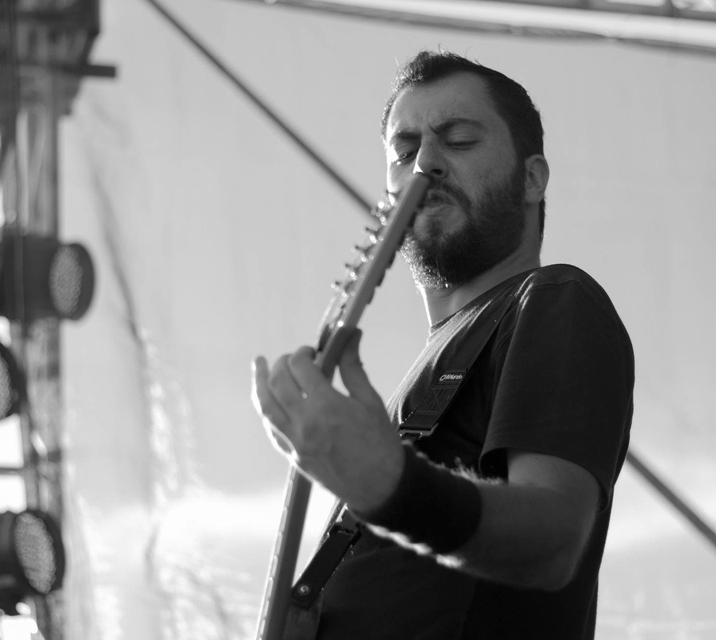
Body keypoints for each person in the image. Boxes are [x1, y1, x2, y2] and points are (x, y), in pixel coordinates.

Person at [251, 50, 634, 639]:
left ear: (532, 178)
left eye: (458, 140)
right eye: (404, 152)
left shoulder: (550, 299)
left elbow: (556, 540)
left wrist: (388, 482)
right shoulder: (422, 370)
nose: (425, 163)